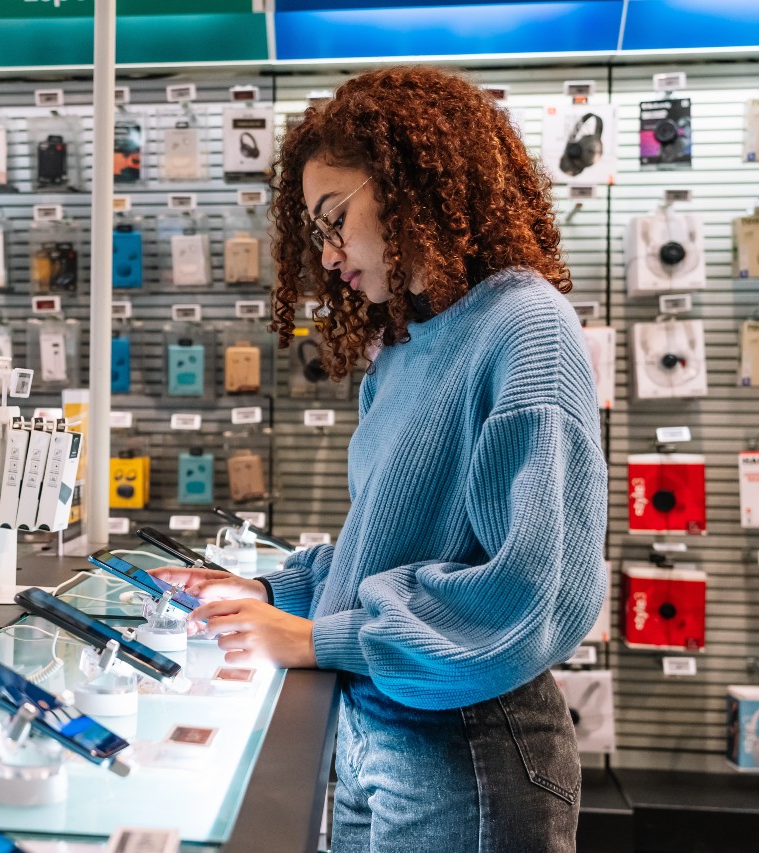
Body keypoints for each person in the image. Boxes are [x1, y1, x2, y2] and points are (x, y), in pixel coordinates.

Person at [152, 66, 608, 853]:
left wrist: (312, 639)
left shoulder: (527, 326)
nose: (327, 257)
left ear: (413, 186)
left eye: (335, 220)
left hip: (467, 740)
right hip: (377, 728)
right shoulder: (403, 347)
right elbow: (385, 551)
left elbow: (523, 591)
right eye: (316, 233)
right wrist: (268, 589)